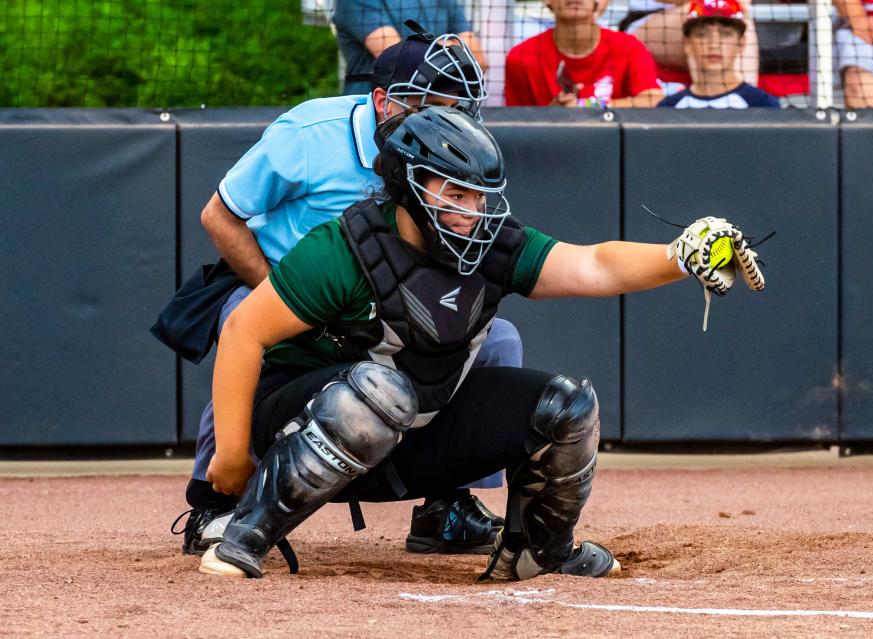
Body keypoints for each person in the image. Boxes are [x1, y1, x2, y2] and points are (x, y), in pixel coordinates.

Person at [194, 106, 766, 580]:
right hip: (300, 420)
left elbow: (593, 264)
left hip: (410, 425)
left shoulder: (492, 242)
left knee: (568, 407)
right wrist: (232, 455)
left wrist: (676, 256)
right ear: (410, 186)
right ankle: (246, 536)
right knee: (379, 389)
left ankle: (539, 552)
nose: (472, 210)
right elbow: (244, 332)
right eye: (455, 193)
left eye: (479, 195)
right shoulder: (342, 248)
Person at [164, 32, 514, 562]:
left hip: (386, 303)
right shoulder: (309, 134)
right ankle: (215, 501)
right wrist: (276, 297)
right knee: (246, 322)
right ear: (383, 101)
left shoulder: (451, 152)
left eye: (453, 107)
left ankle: (446, 506)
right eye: (428, 105)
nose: (444, 121)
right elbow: (220, 214)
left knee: (498, 339)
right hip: (290, 282)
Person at [504, 0, 663, 107]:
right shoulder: (521, 57)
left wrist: (588, 106)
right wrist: (551, 114)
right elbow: (518, 121)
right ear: (547, 1)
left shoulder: (628, 46)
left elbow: (653, 100)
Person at [332, 1, 487, 96]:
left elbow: (478, 62)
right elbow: (401, 62)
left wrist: (419, 46)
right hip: (377, 109)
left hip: (440, 107)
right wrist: (453, 47)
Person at [658, 0, 780, 108]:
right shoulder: (669, 107)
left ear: (741, 43)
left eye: (725, 34)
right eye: (702, 34)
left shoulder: (763, 104)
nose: (714, 44)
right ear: (687, 43)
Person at [627, 0, 760, 87]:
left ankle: (745, 102)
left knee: (734, 11)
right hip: (646, 23)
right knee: (705, 9)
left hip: (711, 10)